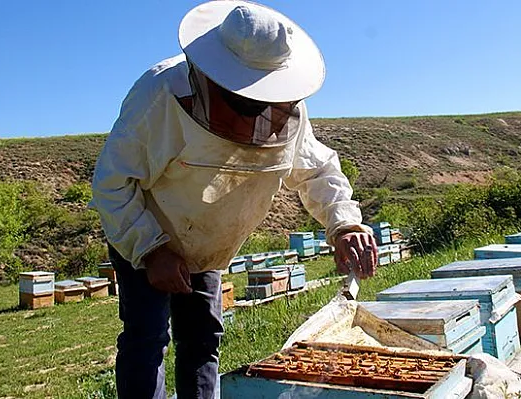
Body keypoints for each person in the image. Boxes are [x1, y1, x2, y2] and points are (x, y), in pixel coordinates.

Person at [90, 1, 378, 398]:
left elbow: (315, 169)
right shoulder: (158, 94)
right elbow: (112, 183)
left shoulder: (288, 105)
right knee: (147, 336)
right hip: (144, 231)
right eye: (242, 99)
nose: (254, 111)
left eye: (262, 100)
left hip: (209, 244)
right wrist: (151, 249)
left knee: (203, 338)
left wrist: (344, 222)